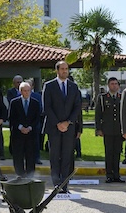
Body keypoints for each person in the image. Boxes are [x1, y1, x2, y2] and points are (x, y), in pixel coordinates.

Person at [42, 61, 82, 191]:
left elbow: (77, 107)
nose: (65, 71)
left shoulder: (73, 87)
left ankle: (64, 185)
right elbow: (46, 107)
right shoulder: (49, 86)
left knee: (67, 156)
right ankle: (56, 184)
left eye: (67, 69)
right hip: (54, 127)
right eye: (62, 69)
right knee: (54, 156)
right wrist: (58, 123)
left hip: (69, 127)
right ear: (57, 71)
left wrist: (68, 122)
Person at [9, 82, 41, 178]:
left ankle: (30, 176)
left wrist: (30, 128)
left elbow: (37, 118)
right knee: (18, 156)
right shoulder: (14, 102)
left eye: (28, 91)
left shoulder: (35, 103)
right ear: (20, 91)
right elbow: (12, 118)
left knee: (30, 155)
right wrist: (20, 127)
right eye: (24, 91)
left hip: (31, 134)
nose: (27, 93)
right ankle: (20, 175)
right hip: (18, 134)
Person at [95, 77, 124, 183]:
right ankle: (109, 175)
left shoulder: (122, 97)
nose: (114, 86)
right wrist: (98, 129)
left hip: (119, 130)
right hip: (107, 129)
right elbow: (98, 114)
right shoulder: (103, 98)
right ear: (108, 85)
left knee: (117, 153)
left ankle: (117, 174)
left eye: (116, 84)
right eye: (112, 84)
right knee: (109, 153)